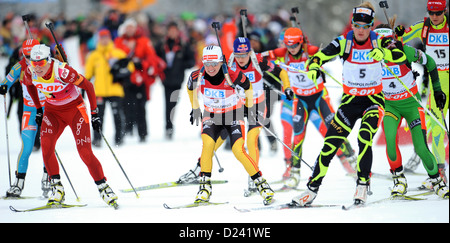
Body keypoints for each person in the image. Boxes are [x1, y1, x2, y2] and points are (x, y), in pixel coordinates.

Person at [292, 2, 407, 206]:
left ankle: (362, 184)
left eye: (365, 26)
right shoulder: (344, 42)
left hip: (373, 100)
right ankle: (311, 190)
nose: (361, 30)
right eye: (357, 26)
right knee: (330, 144)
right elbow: (319, 56)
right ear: (352, 25)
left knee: (364, 138)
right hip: (350, 101)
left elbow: (400, 55)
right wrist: (314, 66)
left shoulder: (380, 40)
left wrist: (386, 54)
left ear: (371, 26)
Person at [23, 44, 118, 207]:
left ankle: (103, 187)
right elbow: (29, 85)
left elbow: (88, 86)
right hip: (53, 112)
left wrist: (95, 114)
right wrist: (39, 109)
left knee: (85, 152)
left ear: (48, 60)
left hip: (75, 111)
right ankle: (57, 188)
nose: (37, 67)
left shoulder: (62, 71)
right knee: (46, 146)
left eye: (40, 63)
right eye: (33, 62)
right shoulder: (30, 72)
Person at [265, 27, 358, 189]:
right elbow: (262, 56)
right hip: (300, 100)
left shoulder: (310, 51)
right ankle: (294, 173)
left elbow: (330, 53)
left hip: (319, 97)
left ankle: (351, 159)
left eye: (294, 45)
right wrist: (251, 58)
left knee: (334, 129)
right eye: (288, 45)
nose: (291, 48)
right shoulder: (284, 53)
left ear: (301, 42)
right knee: (298, 136)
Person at [187, 45, 274, 205]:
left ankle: (262, 185)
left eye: (214, 64)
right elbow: (190, 87)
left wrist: (250, 107)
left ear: (221, 62)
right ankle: (204, 187)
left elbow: (248, 86)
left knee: (238, 150)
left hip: (233, 114)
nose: (211, 68)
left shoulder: (232, 75)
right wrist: (195, 108)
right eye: (207, 64)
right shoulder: (197, 75)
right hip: (211, 115)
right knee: (207, 145)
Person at [375, 25, 448, 198]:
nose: (387, 45)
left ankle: (437, 181)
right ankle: (399, 180)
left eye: (389, 41)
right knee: (391, 143)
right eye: (382, 42)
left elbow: (430, 62)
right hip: (390, 106)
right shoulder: (372, 56)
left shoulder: (405, 51)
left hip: (411, 105)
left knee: (421, 147)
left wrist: (436, 89)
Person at [395, 0, 449, 185]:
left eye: (439, 13)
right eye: (431, 13)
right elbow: (398, 40)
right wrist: (399, 34)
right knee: (435, 127)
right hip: (437, 83)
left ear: (445, 10)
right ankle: (439, 171)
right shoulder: (423, 26)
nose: (435, 17)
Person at [0, 39, 49, 197]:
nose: (29, 60)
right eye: (25, 56)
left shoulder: (48, 64)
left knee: (48, 145)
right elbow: (6, 81)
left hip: (48, 110)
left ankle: (49, 178)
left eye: (32, 56)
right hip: (30, 111)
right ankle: (18, 183)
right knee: (27, 148)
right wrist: (4, 87)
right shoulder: (20, 66)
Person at [84, 28, 133, 147]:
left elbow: (130, 67)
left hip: (115, 89)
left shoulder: (118, 53)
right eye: (102, 37)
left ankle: (119, 138)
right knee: (98, 116)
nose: (104, 40)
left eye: (106, 37)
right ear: (99, 39)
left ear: (110, 38)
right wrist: (83, 86)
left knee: (117, 114)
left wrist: (121, 71)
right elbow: (88, 73)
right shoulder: (94, 55)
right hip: (100, 90)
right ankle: (97, 139)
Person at [114, 18, 161, 142]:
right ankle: (127, 129)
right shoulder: (119, 41)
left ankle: (143, 133)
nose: (130, 30)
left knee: (141, 106)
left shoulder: (144, 41)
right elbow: (116, 57)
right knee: (126, 106)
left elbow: (151, 57)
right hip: (126, 78)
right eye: (128, 27)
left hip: (141, 78)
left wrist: (142, 63)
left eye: (132, 27)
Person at [155, 21, 195, 139]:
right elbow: (154, 57)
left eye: (175, 30)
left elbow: (191, 60)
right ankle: (168, 127)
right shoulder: (162, 44)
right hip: (165, 79)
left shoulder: (183, 44)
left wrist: (182, 63)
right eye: (170, 30)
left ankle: (169, 126)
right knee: (168, 103)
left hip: (178, 79)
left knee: (172, 103)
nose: (173, 32)